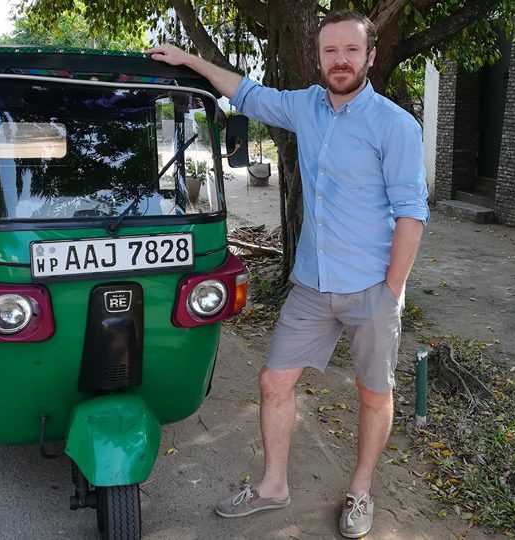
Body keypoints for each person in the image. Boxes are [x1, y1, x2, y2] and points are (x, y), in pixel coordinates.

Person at [148, 9, 429, 539]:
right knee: (274, 381)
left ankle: (360, 492)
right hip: (312, 284)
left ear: (369, 56)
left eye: (351, 50)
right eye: (330, 51)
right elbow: (247, 92)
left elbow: (412, 215)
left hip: (371, 286)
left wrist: (391, 292)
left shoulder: (395, 125)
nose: (340, 60)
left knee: (373, 392)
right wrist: (188, 59)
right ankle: (274, 486)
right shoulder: (306, 107)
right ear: (319, 57)